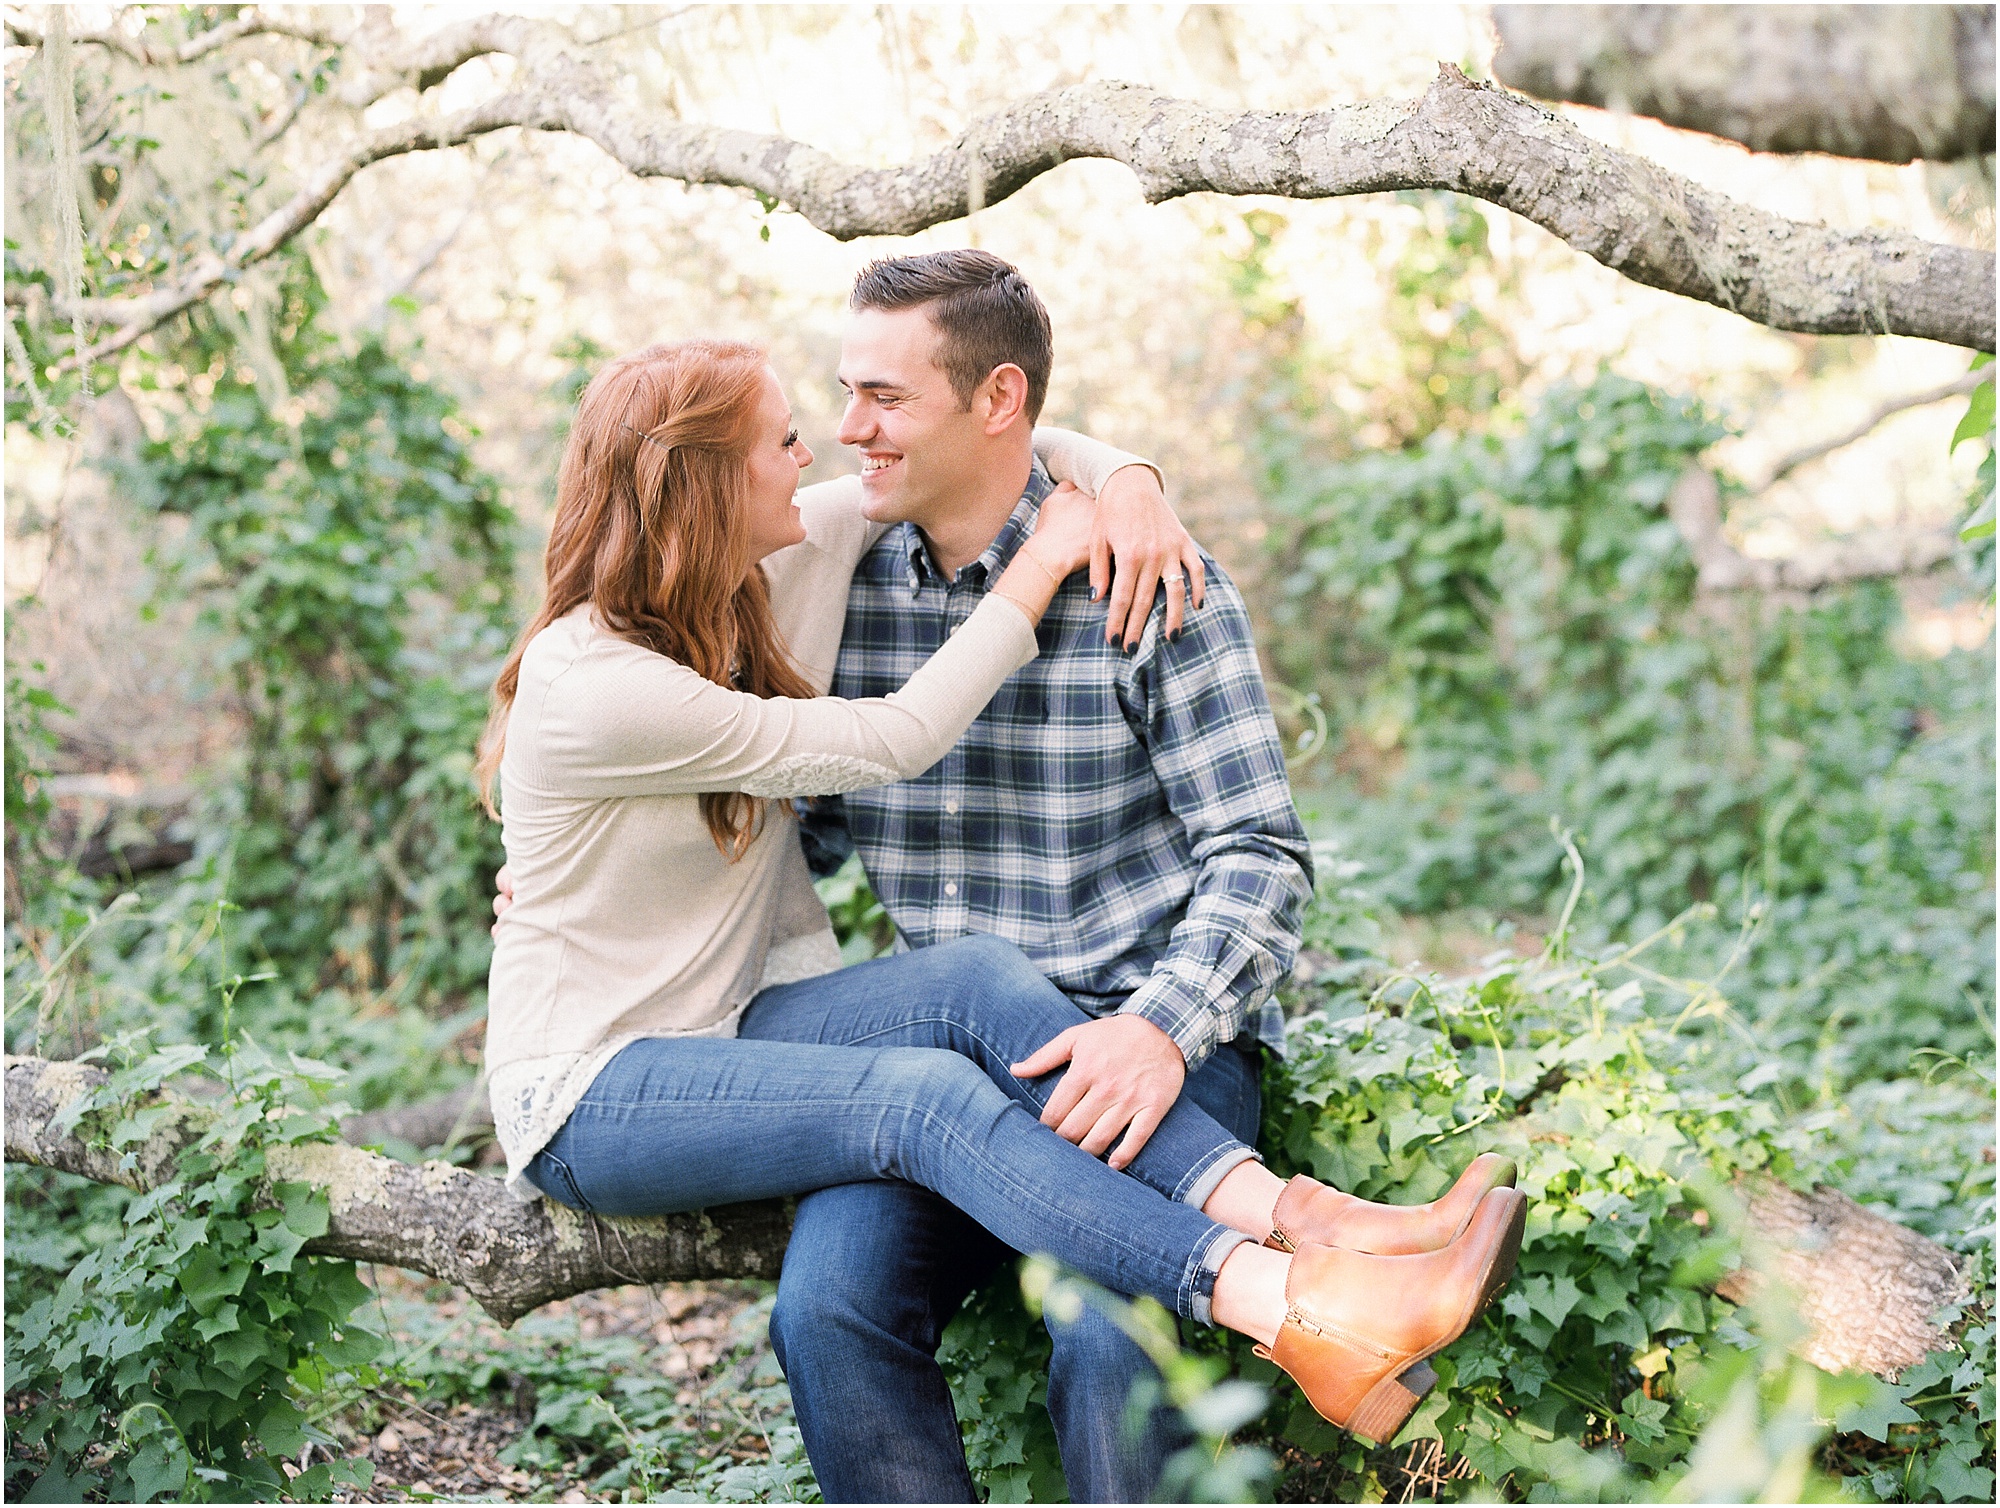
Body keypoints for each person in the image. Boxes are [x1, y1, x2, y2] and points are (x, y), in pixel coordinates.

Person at [478, 335, 1527, 1486]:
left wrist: (1127, 479)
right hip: (608, 1077)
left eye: (876, 398)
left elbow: (1256, 844)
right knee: (845, 1271)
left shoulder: (819, 557)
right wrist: (1037, 568)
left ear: (994, 399)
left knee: (1073, 1251)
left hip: (897, 1020)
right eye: (795, 431)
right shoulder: (631, 671)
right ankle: (1285, 1300)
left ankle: (1312, 1225)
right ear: (704, 487)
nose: (831, 441)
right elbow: (885, 742)